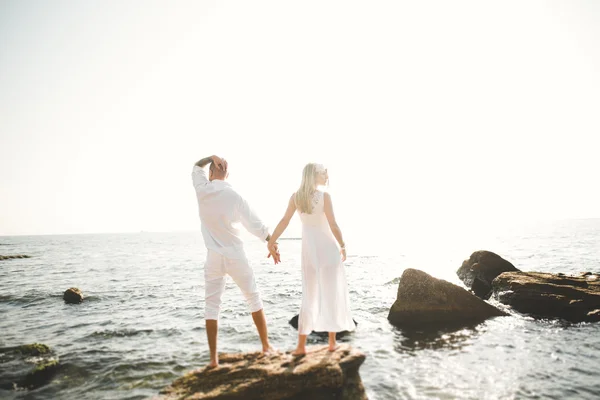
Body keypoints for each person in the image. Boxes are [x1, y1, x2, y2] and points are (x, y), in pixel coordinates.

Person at [192, 155, 280, 367]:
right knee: (253, 298)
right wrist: (271, 241)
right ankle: (266, 346)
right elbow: (255, 224)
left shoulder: (202, 189)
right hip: (235, 256)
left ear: (211, 173)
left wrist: (209, 157)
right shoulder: (235, 196)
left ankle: (213, 360)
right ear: (227, 174)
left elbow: (196, 167)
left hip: (213, 257)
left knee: (211, 307)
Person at [267, 163, 354, 355]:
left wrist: (271, 241)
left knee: (309, 295)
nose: (327, 175)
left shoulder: (296, 198)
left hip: (310, 252)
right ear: (315, 175)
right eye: (324, 173)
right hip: (329, 251)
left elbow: (284, 221)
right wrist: (343, 245)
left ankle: (300, 347)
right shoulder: (325, 197)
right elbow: (333, 225)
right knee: (330, 294)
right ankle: (332, 343)